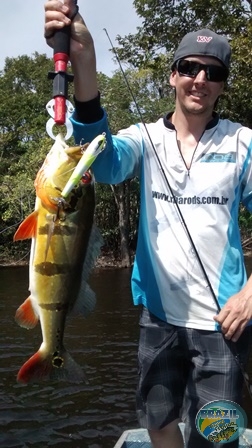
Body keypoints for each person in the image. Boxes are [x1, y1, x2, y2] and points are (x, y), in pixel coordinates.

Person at [44, 2, 252, 447]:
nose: (200, 79)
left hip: (224, 323)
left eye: (212, 72)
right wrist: (84, 61)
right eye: (190, 67)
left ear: (222, 85)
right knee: (157, 420)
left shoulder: (243, 143)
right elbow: (97, 165)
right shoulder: (143, 138)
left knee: (217, 436)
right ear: (173, 75)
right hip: (158, 319)